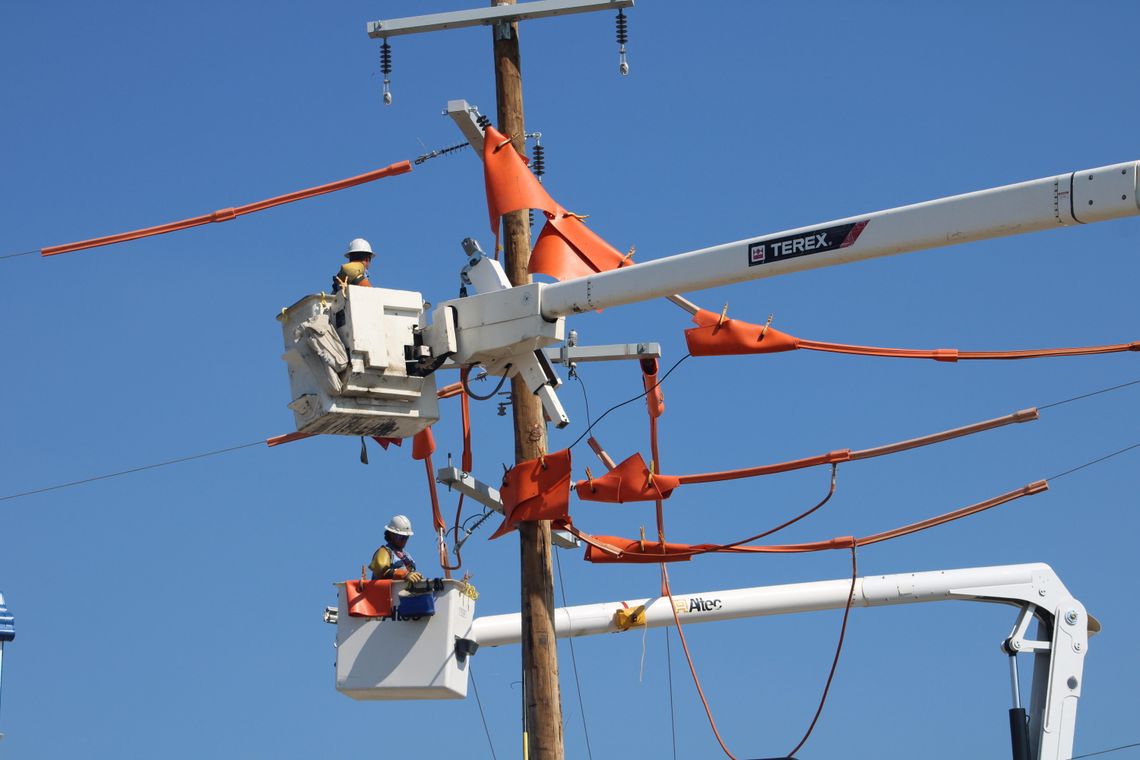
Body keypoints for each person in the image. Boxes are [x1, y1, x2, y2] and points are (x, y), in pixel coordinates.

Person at [369, 514, 424, 582]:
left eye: (406, 537)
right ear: (391, 535)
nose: (403, 540)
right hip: (386, 591)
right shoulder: (384, 552)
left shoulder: (407, 556)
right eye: (400, 537)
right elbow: (381, 572)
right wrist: (404, 574)